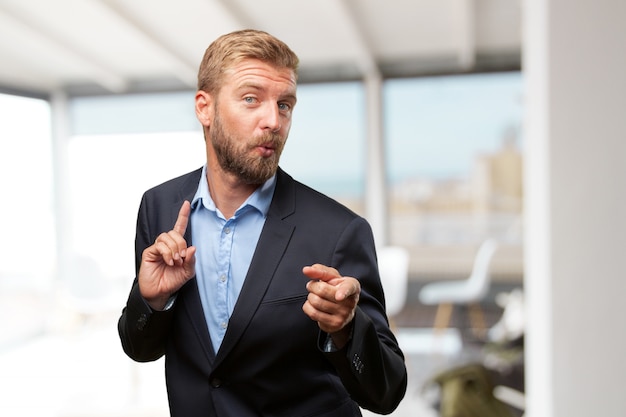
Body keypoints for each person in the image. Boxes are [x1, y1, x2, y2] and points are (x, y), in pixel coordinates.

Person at [118, 29, 407, 417]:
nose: (274, 120)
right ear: (205, 108)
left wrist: (347, 329)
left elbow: (387, 393)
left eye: (285, 105)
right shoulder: (159, 207)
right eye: (251, 99)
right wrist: (152, 300)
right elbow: (141, 348)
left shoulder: (339, 230)